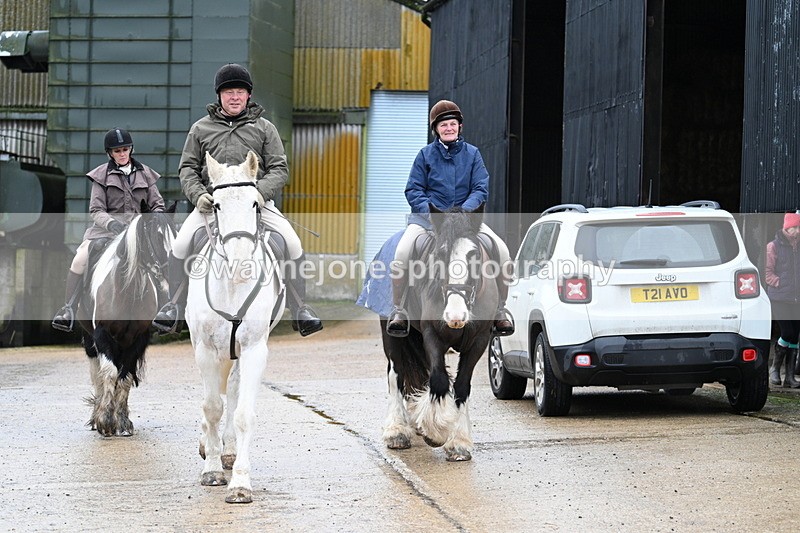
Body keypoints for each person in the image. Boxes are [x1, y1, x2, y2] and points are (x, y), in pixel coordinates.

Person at [152, 63, 322, 336]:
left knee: (293, 242)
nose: (234, 97)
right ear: (219, 96)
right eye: (228, 92)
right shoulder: (200, 129)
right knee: (181, 245)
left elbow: (279, 169)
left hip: (255, 204)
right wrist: (199, 196)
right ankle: (173, 306)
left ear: (248, 96)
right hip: (212, 205)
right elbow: (187, 169)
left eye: (240, 92)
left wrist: (259, 193)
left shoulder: (265, 128)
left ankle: (300, 307)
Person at [386, 99, 515, 337]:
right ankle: (399, 310)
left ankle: (500, 311)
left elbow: (480, 188)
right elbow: (413, 189)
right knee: (401, 253)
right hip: (428, 222)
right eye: (443, 125)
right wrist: (434, 214)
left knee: (503, 251)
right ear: (436, 129)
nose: (448, 128)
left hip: (466, 223)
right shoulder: (424, 155)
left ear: (459, 127)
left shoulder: (473, 154)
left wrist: (463, 215)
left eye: (452, 124)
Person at [52, 128, 166, 332]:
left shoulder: (146, 174)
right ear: (110, 153)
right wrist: (112, 223)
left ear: (130, 149)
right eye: (117, 151)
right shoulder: (100, 176)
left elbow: (157, 204)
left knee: (161, 255)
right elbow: (96, 210)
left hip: (138, 234)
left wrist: (152, 219)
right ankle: (67, 309)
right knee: (79, 259)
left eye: (125, 149)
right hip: (105, 232)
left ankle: (166, 310)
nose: (122, 154)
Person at [765, 212, 800, 388]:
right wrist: (782, 283)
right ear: (787, 228)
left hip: (796, 298)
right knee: (787, 332)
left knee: (795, 335)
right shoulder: (773, 246)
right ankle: (775, 369)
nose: (798, 231)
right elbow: (768, 274)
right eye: (795, 228)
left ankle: (790, 377)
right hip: (780, 297)